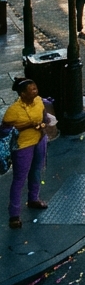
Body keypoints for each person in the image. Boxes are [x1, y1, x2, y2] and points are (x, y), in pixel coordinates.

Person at [3, 78, 50, 229]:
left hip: (39, 141)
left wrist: (41, 126)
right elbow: (4, 132)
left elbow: (45, 119)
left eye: (35, 88)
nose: (36, 91)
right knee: (19, 178)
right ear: (22, 94)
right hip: (23, 146)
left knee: (36, 171)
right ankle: (14, 214)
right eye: (32, 90)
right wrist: (27, 126)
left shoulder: (39, 102)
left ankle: (33, 199)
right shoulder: (13, 111)